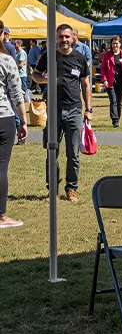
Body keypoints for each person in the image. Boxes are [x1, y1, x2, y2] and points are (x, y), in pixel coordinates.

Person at [33, 23, 92, 204]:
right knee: (52, 151)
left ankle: (71, 189)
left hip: (74, 109)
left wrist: (88, 110)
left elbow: (85, 85)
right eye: (61, 37)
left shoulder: (80, 58)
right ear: (56, 38)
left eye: (67, 36)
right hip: (54, 109)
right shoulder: (48, 56)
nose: (64, 40)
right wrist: (43, 78)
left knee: (73, 153)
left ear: (72, 37)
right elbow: (34, 74)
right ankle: (52, 191)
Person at [0, 45, 27, 226]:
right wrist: (23, 121)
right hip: (3, 116)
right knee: (1, 167)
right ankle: (1, 216)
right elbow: (17, 94)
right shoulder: (7, 60)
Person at [100, 36, 122, 128]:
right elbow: (103, 69)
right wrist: (104, 80)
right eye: (113, 43)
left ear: (120, 44)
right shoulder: (107, 55)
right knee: (113, 100)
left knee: (119, 101)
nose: (115, 45)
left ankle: (118, 118)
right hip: (110, 81)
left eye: (116, 43)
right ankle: (115, 120)